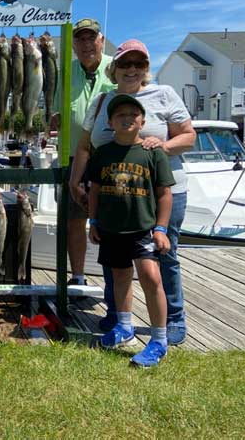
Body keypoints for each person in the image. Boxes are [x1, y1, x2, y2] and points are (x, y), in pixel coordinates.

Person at [70, 39, 196, 345]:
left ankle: (173, 319)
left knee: (163, 256)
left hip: (162, 191)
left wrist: (162, 147)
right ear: (114, 69)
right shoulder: (102, 101)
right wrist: (76, 180)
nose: (131, 69)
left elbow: (189, 136)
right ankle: (118, 316)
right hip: (114, 194)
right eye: (125, 63)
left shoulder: (164, 94)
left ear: (146, 68)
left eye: (138, 64)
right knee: (114, 257)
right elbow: (86, 146)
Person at [88, 93, 174, 367]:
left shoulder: (153, 153)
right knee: (120, 277)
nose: (127, 119)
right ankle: (124, 327)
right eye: (120, 116)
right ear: (111, 122)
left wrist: (161, 228)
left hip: (143, 229)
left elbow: (164, 194)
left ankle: (159, 339)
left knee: (151, 277)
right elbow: (95, 191)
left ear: (142, 121)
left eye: (132, 115)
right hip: (112, 229)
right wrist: (93, 221)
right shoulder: (102, 154)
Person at [51, 18, 116, 287]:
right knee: (74, 221)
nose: (86, 44)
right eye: (80, 39)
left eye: (92, 38)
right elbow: (54, 113)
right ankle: (77, 277)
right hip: (72, 156)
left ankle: (114, 282)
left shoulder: (117, 67)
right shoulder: (64, 71)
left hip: (110, 157)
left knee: (112, 221)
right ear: (73, 45)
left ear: (101, 40)